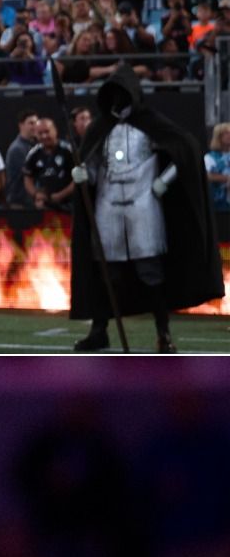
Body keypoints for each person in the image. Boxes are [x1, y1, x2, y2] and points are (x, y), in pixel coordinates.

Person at [68, 66, 223, 352]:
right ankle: (99, 331)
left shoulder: (151, 123)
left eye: (121, 94)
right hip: (107, 203)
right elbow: (92, 166)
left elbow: (186, 150)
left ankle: (163, 334)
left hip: (144, 202)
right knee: (106, 271)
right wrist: (82, 175)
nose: (117, 101)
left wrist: (164, 180)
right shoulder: (99, 128)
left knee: (149, 271)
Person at [22, 118, 78, 211]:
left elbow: (78, 179)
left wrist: (61, 195)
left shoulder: (69, 150)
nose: (44, 136)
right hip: (45, 204)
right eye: (40, 133)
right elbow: (27, 179)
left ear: (55, 131)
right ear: (35, 134)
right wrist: (36, 194)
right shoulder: (33, 154)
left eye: (47, 132)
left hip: (69, 203)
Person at [204, 122, 230, 210]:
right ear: (218, 136)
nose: (229, 135)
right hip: (219, 205)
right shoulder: (210, 157)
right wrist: (227, 178)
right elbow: (209, 176)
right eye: (226, 133)